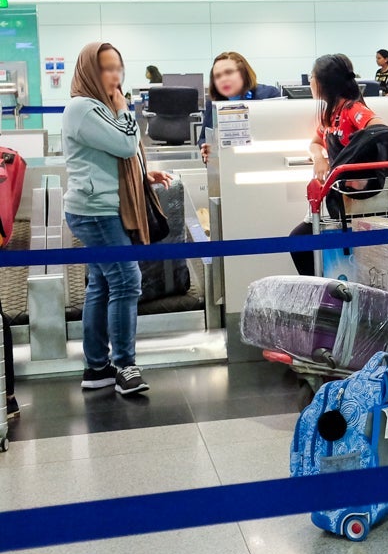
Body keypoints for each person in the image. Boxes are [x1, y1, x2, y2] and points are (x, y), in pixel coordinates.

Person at [64, 42, 175, 397]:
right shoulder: (83, 108)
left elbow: (113, 156)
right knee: (127, 280)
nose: (113, 75)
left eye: (117, 68)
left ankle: (97, 368)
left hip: (102, 207)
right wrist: (125, 109)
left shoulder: (99, 106)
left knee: (101, 284)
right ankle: (125, 365)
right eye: (105, 68)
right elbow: (125, 144)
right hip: (95, 211)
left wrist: (143, 176)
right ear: (88, 71)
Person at [290, 55, 388, 277]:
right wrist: (319, 158)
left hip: (354, 200)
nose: (310, 82)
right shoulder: (329, 114)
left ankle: (322, 291)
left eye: (313, 77)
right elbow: (314, 142)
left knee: (299, 242)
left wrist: (354, 158)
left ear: (324, 82)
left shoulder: (353, 109)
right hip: (336, 198)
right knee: (300, 243)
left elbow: (380, 130)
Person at [199, 50, 282, 162]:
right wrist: (205, 147)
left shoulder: (268, 95)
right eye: (217, 76)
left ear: (244, 73)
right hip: (228, 163)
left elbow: (280, 134)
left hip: (264, 160)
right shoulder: (213, 103)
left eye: (229, 72)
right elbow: (203, 137)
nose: (223, 79)